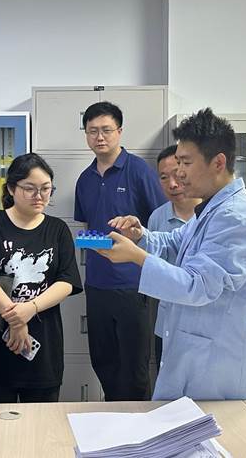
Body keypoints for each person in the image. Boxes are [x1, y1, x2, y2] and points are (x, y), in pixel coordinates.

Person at [98, 108, 246, 401]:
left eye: (186, 162)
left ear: (218, 162)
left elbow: (197, 285)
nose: (178, 173)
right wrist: (141, 236)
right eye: (178, 162)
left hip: (218, 366)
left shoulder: (235, 217)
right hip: (198, 353)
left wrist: (137, 257)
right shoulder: (212, 208)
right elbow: (176, 243)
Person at [0, 153, 82, 403]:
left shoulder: (57, 229)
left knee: (42, 422)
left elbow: (66, 281)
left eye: (45, 189)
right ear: (11, 188)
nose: (39, 196)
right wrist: (16, 319)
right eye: (30, 188)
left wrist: (30, 308)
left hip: (42, 348)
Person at [74, 101, 165, 401]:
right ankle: (113, 418)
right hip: (97, 284)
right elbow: (87, 224)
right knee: (103, 361)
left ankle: (139, 426)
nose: (99, 137)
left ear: (120, 131)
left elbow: (159, 223)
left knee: (135, 367)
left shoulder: (139, 171)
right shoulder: (85, 179)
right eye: (92, 131)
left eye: (106, 130)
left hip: (133, 284)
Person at [147, 144, 201, 369]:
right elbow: (153, 271)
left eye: (177, 174)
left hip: (202, 327)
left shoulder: (211, 216)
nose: (172, 184)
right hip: (167, 324)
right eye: (163, 177)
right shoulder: (157, 218)